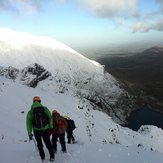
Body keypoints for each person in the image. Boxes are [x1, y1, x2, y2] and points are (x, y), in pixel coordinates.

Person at [26, 96, 55, 162]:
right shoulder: (45, 108)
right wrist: (51, 127)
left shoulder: (30, 112)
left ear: (33, 102)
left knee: (39, 144)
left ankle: (43, 158)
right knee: (48, 143)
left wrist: (30, 133)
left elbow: (28, 124)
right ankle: (52, 157)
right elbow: (50, 118)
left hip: (36, 131)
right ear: (40, 101)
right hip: (46, 129)